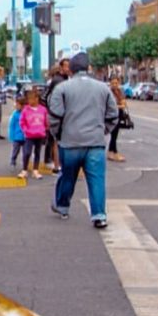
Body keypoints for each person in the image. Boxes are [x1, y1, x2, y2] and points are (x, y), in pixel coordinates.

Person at [48, 51, 119, 228]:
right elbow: (113, 115)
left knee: (67, 177)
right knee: (97, 179)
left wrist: (58, 135)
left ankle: (62, 206)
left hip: (70, 141)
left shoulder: (62, 89)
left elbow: (55, 116)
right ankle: (99, 215)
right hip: (95, 141)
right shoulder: (103, 88)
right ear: (89, 68)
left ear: (70, 70)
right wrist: (103, 131)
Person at [43, 58, 70, 171]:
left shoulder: (62, 79)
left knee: (53, 138)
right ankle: (56, 164)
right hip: (57, 113)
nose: (69, 69)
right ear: (61, 67)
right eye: (67, 66)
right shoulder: (60, 81)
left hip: (55, 112)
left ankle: (52, 161)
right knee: (56, 139)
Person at [18, 88, 49, 180]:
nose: (30, 101)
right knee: (27, 152)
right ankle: (24, 169)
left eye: (32, 99)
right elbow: (22, 121)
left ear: (37, 99)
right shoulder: (25, 110)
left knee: (37, 152)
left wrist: (45, 128)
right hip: (29, 135)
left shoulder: (43, 110)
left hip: (40, 134)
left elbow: (46, 121)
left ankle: (35, 169)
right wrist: (25, 130)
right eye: (28, 99)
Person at [108, 77, 127, 162]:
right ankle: (114, 152)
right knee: (113, 134)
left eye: (116, 83)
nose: (115, 85)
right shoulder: (108, 92)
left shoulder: (120, 91)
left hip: (119, 114)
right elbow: (110, 106)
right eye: (113, 83)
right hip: (111, 116)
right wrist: (118, 105)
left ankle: (111, 152)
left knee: (115, 135)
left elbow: (124, 103)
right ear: (110, 84)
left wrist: (118, 105)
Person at [7, 94, 26, 171]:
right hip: (17, 136)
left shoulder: (26, 113)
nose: (16, 106)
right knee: (15, 150)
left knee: (26, 152)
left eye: (17, 104)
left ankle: (25, 163)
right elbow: (12, 126)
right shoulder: (15, 114)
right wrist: (11, 136)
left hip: (25, 136)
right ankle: (13, 161)